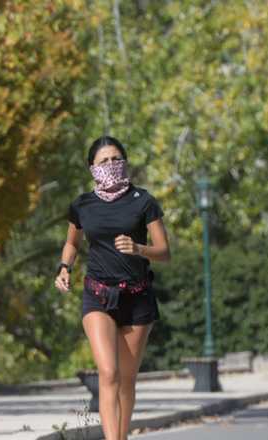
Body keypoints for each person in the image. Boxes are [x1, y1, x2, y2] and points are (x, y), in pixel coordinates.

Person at [55, 136, 170, 440]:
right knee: (108, 374)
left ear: (125, 162)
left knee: (127, 379)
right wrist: (64, 267)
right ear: (91, 167)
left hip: (137, 299)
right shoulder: (82, 205)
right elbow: (71, 242)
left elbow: (164, 251)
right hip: (98, 295)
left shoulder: (143, 200)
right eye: (103, 161)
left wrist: (138, 248)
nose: (111, 166)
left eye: (116, 159)